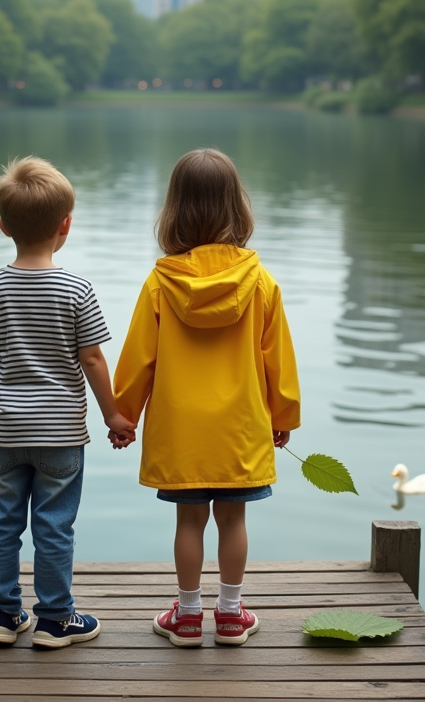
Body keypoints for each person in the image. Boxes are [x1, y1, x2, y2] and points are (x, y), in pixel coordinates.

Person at [111, 148, 301, 648]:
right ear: (237, 208)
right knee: (233, 518)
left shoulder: (160, 282)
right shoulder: (261, 282)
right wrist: (283, 417)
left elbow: (139, 360)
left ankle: (189, 616)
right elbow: (276, 359)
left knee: (189, 520)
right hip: (239, 427)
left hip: (182, 429)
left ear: (174, 210)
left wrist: (123, 415)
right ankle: (233, 614)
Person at [0, 156, 135, 649]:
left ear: (2, 227)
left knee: (0, 524)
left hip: (6, 432)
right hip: (60, 435)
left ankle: (1, 616)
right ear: (66, 226)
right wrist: (113, 415)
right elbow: (94, 360)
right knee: (54, 527)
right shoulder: (76, 289)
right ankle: (56, 620)